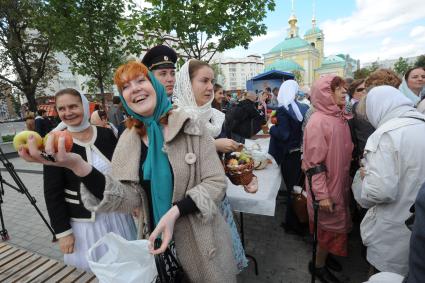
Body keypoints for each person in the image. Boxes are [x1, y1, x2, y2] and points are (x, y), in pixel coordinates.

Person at [19, 61, 237, 282]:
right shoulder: (128, 139)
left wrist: (175, 212)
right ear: (124, 97)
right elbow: (127, 197)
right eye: (125, 86)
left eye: (141, 80)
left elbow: (216, 182)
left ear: (154, 85)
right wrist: (78, 165)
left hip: (203, 240)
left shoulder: (191, 126)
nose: (134, 89)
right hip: (157, 243)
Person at [19, 88, 136, 271]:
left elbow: (122, 172)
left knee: (125, 269)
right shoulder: (54, 143)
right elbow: (52, 193)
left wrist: (132, 202)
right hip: (85, 227)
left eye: (73, 106)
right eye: (62, 109)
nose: (68, 113)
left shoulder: (106, 134)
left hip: (118, 216)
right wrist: (62, 232)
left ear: (85, 106)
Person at [173, 59, 248, 271]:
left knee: (222, 260)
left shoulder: (216, 118)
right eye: (203, 81)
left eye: (212, 81)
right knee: (201, 265)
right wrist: (213, 144)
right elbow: (176, 158)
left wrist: (244, 179)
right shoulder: (175, 118)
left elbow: (225, 163)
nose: (209, 87)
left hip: (218, 200)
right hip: (190, 205)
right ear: (187, 84)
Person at [356, 86, 425, 277]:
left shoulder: (385, 135)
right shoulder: (421, 123)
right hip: (418, 225)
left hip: (394, 229)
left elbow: (380, 191)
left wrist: (365, 179)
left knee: (384, 275)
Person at [303, 75, 353, 283]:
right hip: (326, 190)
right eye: (337, 88)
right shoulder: (318, 122)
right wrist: (322, 195)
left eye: (344, 88)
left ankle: (324, 257)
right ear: (325, 93)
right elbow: (314, 164)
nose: (344, 92)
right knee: (327, 230)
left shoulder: (338, 117)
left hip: (338, 184)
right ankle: (318, 266)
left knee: (332, 228)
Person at [268, 80, 309, 235]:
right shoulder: (303, 107)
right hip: (300, 152)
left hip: (289, 154)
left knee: (293, 189)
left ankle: (293, 224)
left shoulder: (283, 109)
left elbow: (283, 135)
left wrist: (272, 128)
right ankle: (299, 219)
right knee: (297, 187)